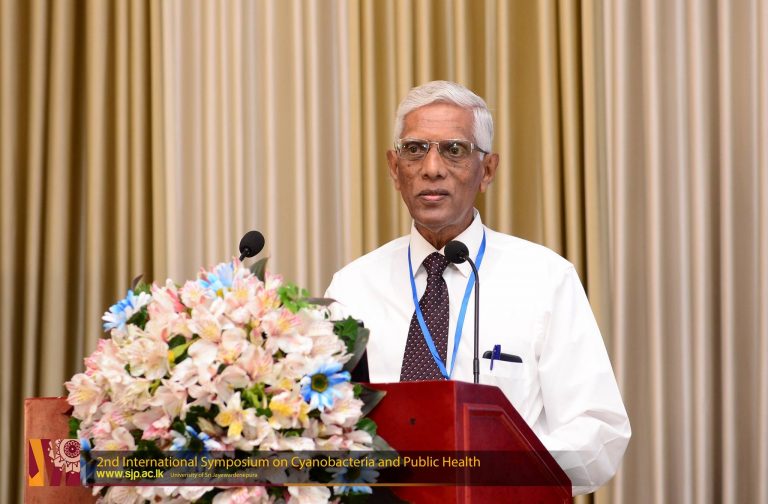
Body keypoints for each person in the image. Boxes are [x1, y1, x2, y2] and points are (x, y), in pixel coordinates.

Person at [324, 80, 630, 495]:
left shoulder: (545, 278)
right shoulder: (353, 286)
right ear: (395, 169)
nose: (432, 167)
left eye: (454, 149)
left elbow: (599, 430)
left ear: (487, 170)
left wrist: (501, 471)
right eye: (415, 149)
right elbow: (327, 422)